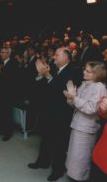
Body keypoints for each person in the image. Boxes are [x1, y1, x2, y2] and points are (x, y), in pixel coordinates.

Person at [28, 47, 78, 181]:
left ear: (66, 57)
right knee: (46, 137)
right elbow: (45, 87)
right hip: (49, 110)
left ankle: (57, 170)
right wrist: (41, 74)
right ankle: (42, 162)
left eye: (57, 55)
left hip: (61, 113)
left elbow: (62, 91)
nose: (54, 57)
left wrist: (48, 75)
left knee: (59, 142)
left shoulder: (72, 71)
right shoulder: (55, 69)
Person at [63, 61, 107, 182]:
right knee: (73, 157)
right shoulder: (85, 84)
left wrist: (75, 98)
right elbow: (77, 105)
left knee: (81, 160)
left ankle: (79, 179)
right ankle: (73, 178)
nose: (84, 72)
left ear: (96, 74)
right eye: (85, 69)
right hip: (78, 124)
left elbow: (91, 108)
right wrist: (70, 98)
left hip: (86, 128)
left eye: (88, 71)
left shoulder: (99, 87)